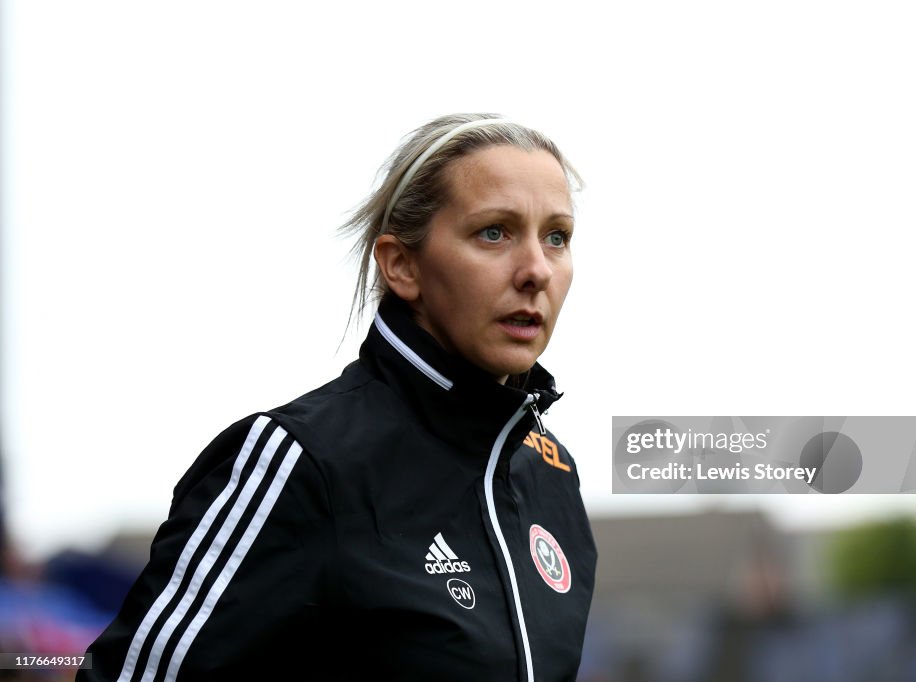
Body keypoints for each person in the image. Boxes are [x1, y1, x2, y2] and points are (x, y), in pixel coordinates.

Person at [77, 113, 597, 682]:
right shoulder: (302, 461)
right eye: (493, 232)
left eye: (556, 237)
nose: (536, 271)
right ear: (401, 265)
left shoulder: (551, 477)